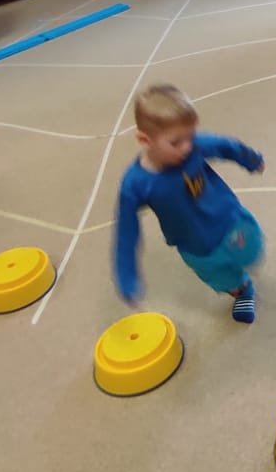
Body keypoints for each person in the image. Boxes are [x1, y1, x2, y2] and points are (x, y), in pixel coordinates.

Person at [113, 85, 266, 324]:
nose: (187, 146)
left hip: (228, 220)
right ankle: (243, 290)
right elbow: (126, 232)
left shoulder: (195, 145)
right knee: (222, 277)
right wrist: (127, 277)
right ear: (145, 140)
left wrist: (251, 160)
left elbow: (226, 145)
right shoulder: (135, 184)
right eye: (175, 142)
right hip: (194, 245)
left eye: (190, 136)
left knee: (251, 253)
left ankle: (245, 262)